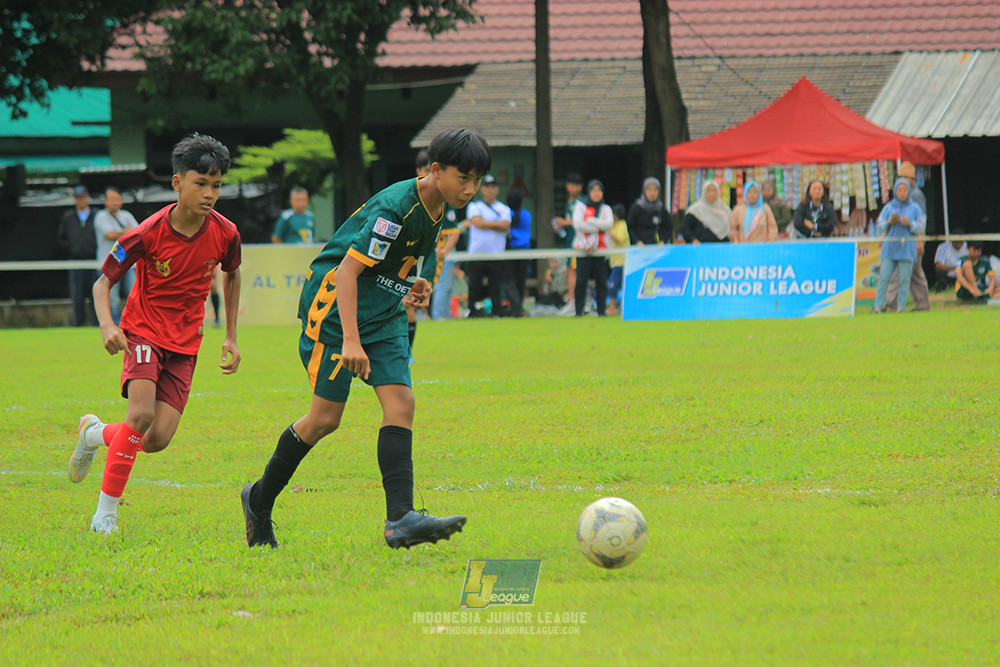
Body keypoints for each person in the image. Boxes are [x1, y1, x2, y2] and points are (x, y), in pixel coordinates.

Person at [241, 128, 489, 550]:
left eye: (477, 180)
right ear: (435, 170)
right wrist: (351, 341)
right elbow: (346, 272)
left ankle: (400, 520)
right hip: (335, 313)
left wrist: (416, 282)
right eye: (463, 178)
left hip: (384, 311)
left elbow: (403, 259)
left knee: (401, 403)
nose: (470, 189)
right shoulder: (395, 208)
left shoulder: (440, 206)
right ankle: (258, 500)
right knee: (324, 419)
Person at [67, 133, 242, 534]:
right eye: (201, 183)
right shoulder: (148, 231)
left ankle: (94, 433)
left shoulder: (226, 233)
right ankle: (105, 516)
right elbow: (102, 283)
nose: (209, 194)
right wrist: (108, 325)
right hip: (144, 331)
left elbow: (232, 275)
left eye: (216, 185)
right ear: (177, 183)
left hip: (186, 342)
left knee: (156, 439)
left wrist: (231, 335)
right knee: (141, 415)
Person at [872, 178, 925, 313]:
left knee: (904, 280)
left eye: (904, 190)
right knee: (884, 278)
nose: (902, 193)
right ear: (895, 191)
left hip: (906, 249)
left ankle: (901, 307)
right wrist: (889, 222)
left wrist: (910, 224)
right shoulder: (889, 207)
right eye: (899, 190)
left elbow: (921, 226)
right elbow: (880, 224)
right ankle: (878, 306)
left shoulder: (915, 208)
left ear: (908, 191)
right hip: (889, 249)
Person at [463, 173, 511, 317]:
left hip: (496, 254)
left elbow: (505, 225)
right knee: (474, 286)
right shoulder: (474, 206)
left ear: (497, 189)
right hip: (476, 254)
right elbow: (477, 222)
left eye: (493, 187)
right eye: (487, 187)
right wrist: (496, 224)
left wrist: (486, 223)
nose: (490, 190)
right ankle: (473, 312)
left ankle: (497, 313)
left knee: (495, 286)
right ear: (482, 189)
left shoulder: (504, 209)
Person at [885, 161, 930, 311]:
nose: (902, 180)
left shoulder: (916, 195)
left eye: (905, 177)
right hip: (905, 242)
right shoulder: (904, 196)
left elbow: (922, 219)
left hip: (913, 241)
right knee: (913, 274)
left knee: (906, 273)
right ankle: (921, 305)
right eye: (900, 177)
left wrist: (920, 241)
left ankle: (892, 304)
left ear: (912, 179)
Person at [93, 187, 139, 325]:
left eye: (117, 199)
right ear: (105, 201)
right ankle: (114, 324)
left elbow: (139, 232)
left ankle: (133, 323)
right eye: (112, 199)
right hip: (107, 265)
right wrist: (127, 232)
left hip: (128, 264)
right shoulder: (101, 216)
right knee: (112, 298)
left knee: (134, 294)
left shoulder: (126, 215)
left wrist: (121, 233)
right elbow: (110, 235)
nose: (115, 202)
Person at [56, 185, 98, 326]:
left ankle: (97, 323)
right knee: (77, 295)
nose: (81, 200)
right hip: (75, 261)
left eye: (83, 197)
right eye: (78, 198)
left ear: (88, 198)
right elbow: (61, 238)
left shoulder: (97, 215)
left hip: (94, 261)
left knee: (96, 294)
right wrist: (72, 249)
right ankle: (78, 324)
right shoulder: (68, 217)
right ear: (74, 200)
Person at [572, 179, 613, 316]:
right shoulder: (581, 207)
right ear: (589, 192)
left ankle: (601, 311)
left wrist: (591, 221)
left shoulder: (606, 209)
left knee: (601, 281)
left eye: (599, 190)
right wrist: (597, 227)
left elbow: (609, 224)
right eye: (593, 190)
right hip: (583, 250)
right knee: (581, 281)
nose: (596, 193)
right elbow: (578, 224)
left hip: (601, 250)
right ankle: (579, 311)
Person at [552, 173, 583, 309]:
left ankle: (574, 300)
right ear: (567, 186)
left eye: (577, 185)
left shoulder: (581, 202)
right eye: (572, 185)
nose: (574, 188)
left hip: (578, 241)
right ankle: (571, 298)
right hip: (569, 240)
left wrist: (564, 222)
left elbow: (582, 221)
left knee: (573, 270)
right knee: (569, 268)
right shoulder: (568, 202)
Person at [504, 187, 532, 316]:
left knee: (509, 280)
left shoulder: (507, 214)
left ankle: (516, 307)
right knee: (521, 280)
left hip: (511, 250)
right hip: (525, 250)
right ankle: (518, 307)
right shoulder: (527, 215)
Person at [626, 177, 668, 245]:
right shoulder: (637, 207)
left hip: (657, 247)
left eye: (655, 190)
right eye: (649, 190)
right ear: (644, 191)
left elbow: (668, 227)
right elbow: (630, 227)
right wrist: (636, 241)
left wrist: (663, 240)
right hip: (639, 247)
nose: (652, 193)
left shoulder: (661, 208)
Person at [607, 202, 629, 316]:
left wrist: (609, 233)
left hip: (621, 261)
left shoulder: (622, 226)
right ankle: (614, 307)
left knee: (613, 284)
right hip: (615, 261)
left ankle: (612, 308)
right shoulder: (615, 226)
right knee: (616, 285)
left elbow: (619, 239)